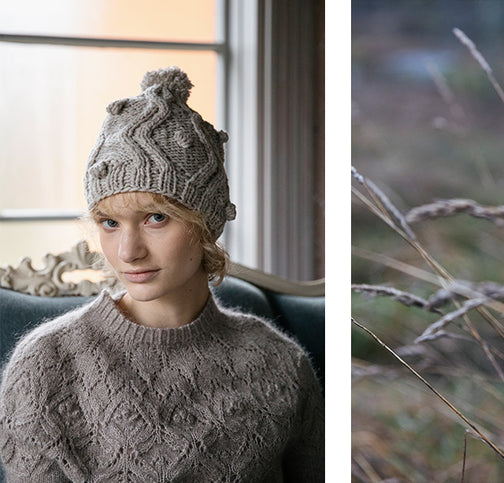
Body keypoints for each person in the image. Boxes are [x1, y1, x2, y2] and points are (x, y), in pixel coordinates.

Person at [0, 67, 324, 481]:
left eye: (156, 217)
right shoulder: (46, 364)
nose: (128, 252)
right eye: (110, 223)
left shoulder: (280, 364)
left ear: (204, 224)